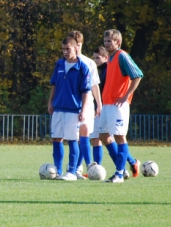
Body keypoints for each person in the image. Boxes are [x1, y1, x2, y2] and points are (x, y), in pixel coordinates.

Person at [97, 29, 143, 183]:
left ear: (118, 42)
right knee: (103, 136)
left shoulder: (122, 55)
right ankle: (123, 168)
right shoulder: (110, 58)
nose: (107, 43)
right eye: (105, 41)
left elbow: (137, 75)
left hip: (118, 105)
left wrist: (126, 96)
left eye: (110, 41)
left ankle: (119, 174)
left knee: (119, 137)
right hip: (107, 104)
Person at [48, 36, 92, 180]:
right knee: (56, 138)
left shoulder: (83, 68)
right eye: (63, 49)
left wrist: (84, 110)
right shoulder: (59, 64)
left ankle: (72, 172)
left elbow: (86, 91)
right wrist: (50, 102)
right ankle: (58, 171)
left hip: (73, 109)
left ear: (75, 48)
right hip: (58, 108)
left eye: (68, 49)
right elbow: (54, 85)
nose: (65, 52)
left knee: (73, 139)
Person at [66, 31, 102, 179]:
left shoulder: (89, 62)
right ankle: (75, 168)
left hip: (87, 105)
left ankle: (87, 165)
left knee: (85, 134)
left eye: (79, 45)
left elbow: (94, 85)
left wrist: (99, 104)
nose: (77, 48)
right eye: (75, 45)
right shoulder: (66, 62)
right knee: (75, 137)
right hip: (72, 105)